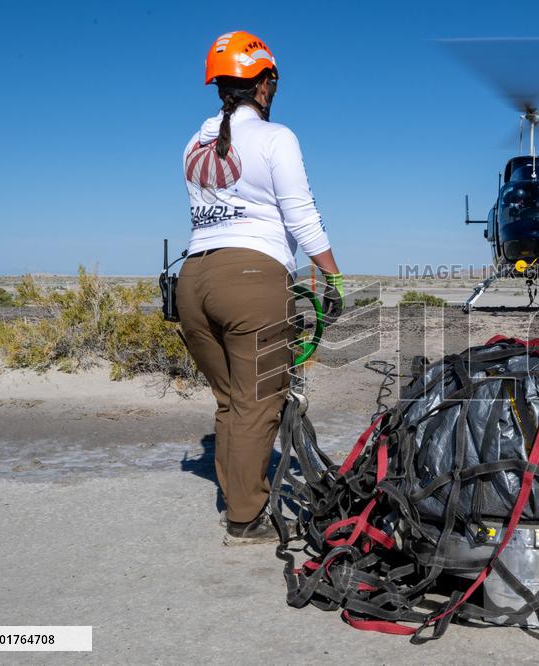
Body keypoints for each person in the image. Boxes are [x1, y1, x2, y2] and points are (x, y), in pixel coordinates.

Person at [177, 31, 344, 544]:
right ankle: (247, 516)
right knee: (258, 401)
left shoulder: (193, 143)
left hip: (192, 280)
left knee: (230, 400)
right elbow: (301, 214)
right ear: (264, 83)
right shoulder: (276, 138)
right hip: (251, 279)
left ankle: (239, 497)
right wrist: (332, 276)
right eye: (274, 80)